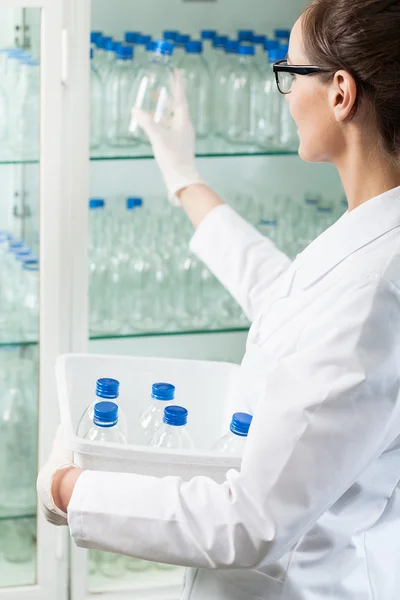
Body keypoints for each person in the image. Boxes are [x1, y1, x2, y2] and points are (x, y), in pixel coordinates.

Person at [38, 1, 400, 598]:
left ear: (340, 93)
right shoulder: (372, 241)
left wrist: (68, 489)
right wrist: (185, 179)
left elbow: (249, 524)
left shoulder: (375, 291)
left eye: (290, 73)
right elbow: (281, 296)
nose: (284, 95)